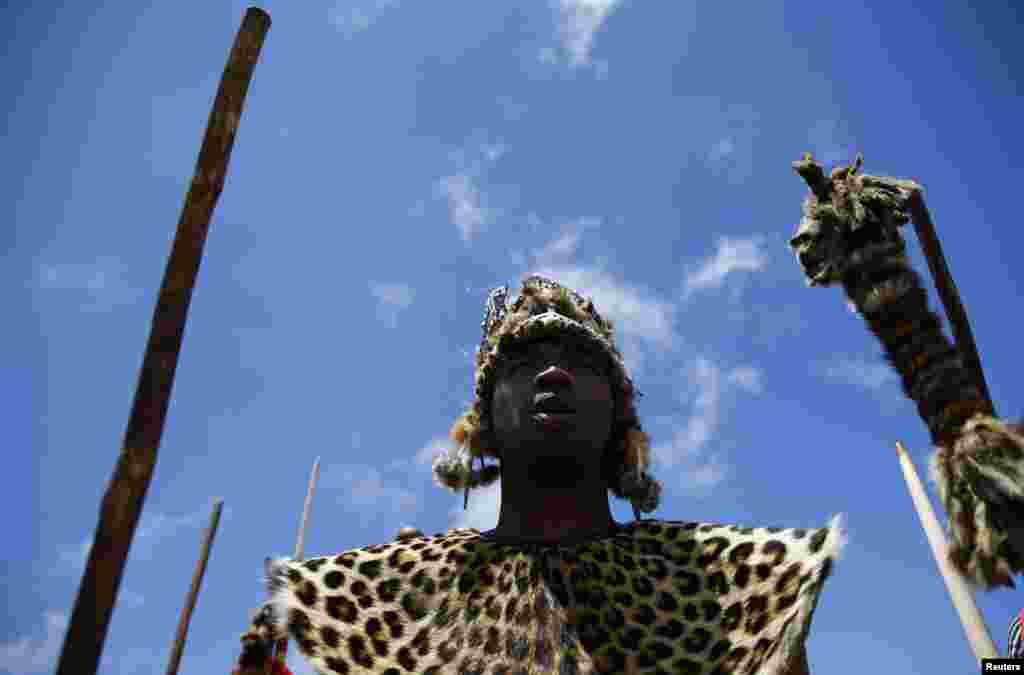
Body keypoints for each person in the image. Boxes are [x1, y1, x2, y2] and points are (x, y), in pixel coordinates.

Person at [233, 275, 841, 675]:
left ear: (620, 413)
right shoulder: (380, 598)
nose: (553, 374)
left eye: (581, 360)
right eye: (523, 361)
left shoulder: (731, 588)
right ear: (484, 421)